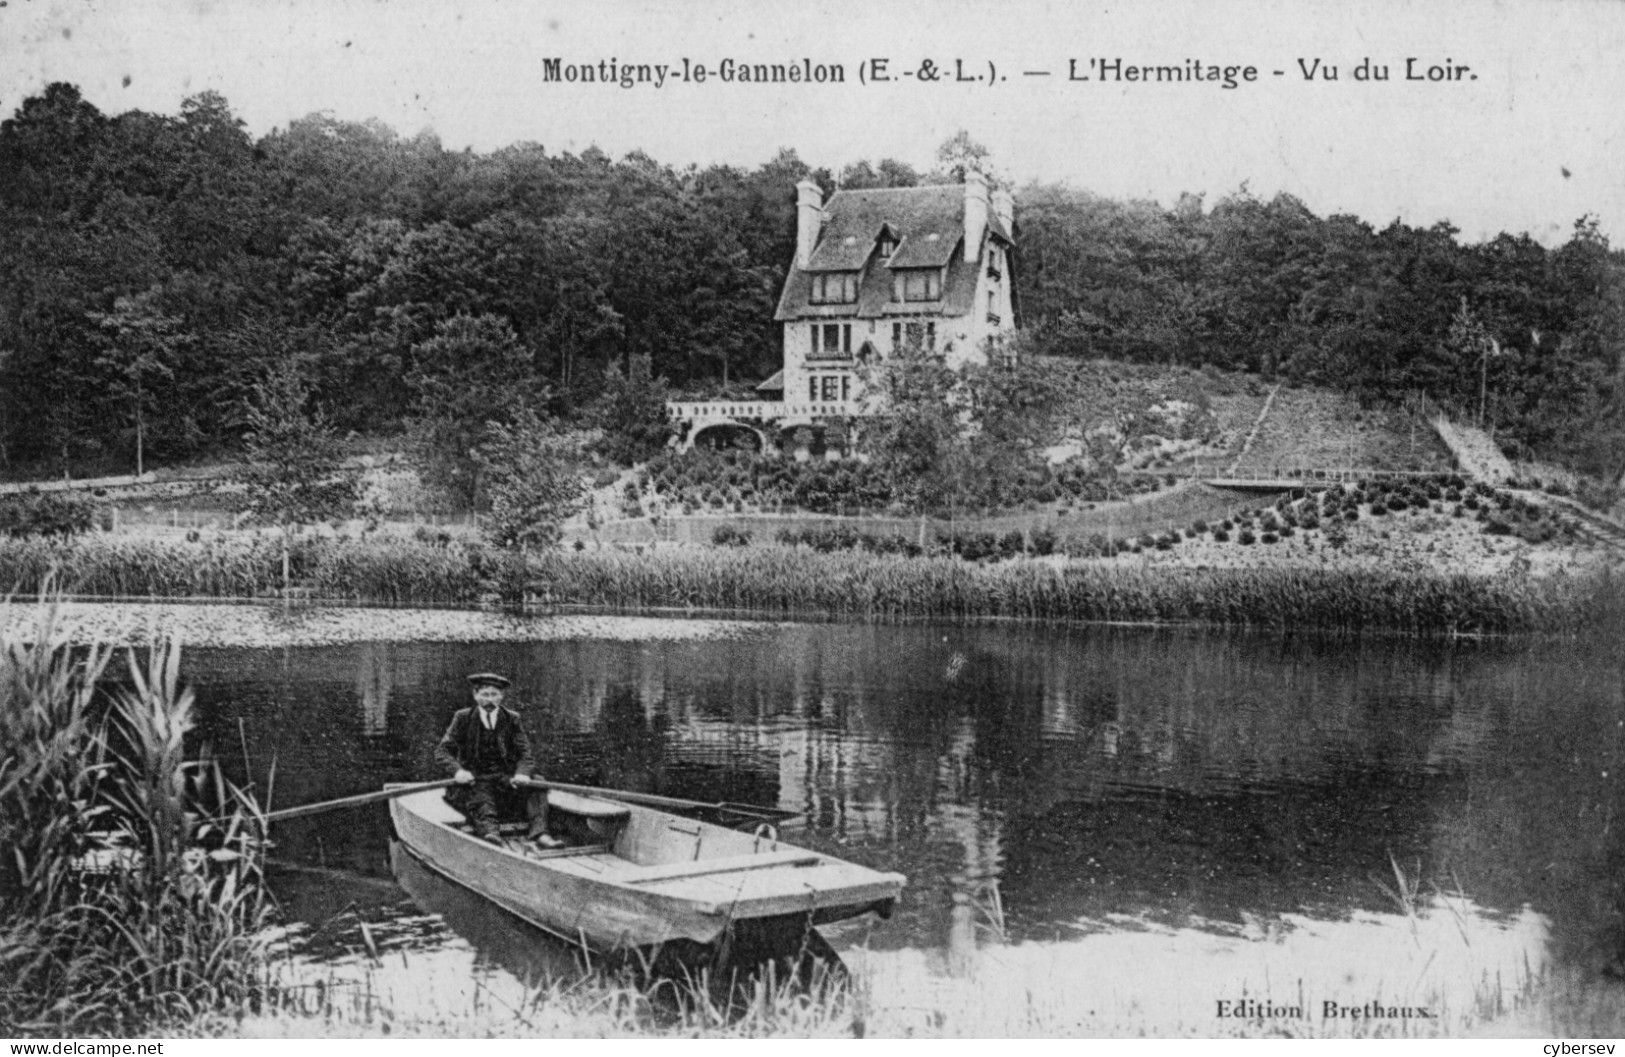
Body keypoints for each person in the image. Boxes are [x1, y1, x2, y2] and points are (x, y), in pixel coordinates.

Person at [434, 672, 555, 846]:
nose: (490, 700)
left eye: (494, 695)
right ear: (475, 695)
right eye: (485, 695)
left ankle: (540, 833)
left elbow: (525, 754)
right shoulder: (463, 718)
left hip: (505, 780)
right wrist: (458, 771)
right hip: (475, 780)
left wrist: (522, 774)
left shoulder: (512, 719)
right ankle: (491, 834)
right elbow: (443, 751)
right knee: (480, 794)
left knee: (537, 782)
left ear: (501, 696)